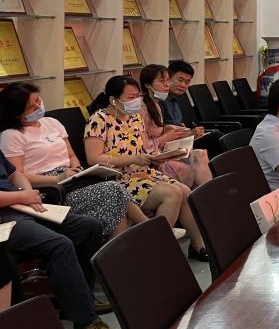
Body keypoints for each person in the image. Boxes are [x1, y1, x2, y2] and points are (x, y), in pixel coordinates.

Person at [0, 148, 123, 329]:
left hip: (21, 206)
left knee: (89, 228)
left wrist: (28, 193)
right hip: (4, 218)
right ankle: (85, 323)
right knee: (59, 245)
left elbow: (15, 174)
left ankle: (81, 299)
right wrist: (21, 197)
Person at [84, 76, 208, 261]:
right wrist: (133, 158)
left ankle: (198, 245)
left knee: (185, 192)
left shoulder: (135, 117)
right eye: (130, 97)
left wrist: (155, 157)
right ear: (113, 100)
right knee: (172, 194)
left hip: (143, 172)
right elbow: (94, 158)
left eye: (137, 96)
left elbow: (142, 148)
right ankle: (155, 250)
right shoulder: (99, 120)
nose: (136, 102)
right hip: (119, 178)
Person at [0, 82, 145, 238]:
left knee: (116, 203)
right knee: (114, 189)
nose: (38, 106)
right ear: (17, 113)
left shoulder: (52, 123)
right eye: (31, 107)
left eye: (38, 100)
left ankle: (125, 248)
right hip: (49, 188)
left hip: (73, 178)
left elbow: (71, 156)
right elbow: (17, 175)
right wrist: (57, 179)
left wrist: (77, 170)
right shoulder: (12, 135)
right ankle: (149, 229)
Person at [139, 64, 212, 189]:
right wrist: (167, 136)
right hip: (150, 158)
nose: (167, 85)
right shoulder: (142, 109)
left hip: (162, 150)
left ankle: (208, 194)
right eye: (162, 81)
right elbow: (141, 146)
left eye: (168, 80)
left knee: (200, 154)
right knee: (187, 167)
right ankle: (199, 196)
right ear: (147, 84)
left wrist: (169, 129)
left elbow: (159, 130)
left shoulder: (156, 105)